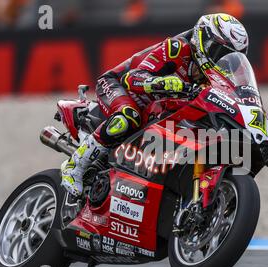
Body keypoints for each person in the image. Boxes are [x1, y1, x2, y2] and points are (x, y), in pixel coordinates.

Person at [61, 13, 249, 196]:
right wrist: (163, 83)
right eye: (219, 53)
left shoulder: (214, 78)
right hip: (118, 85)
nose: (221, 61)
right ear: (203, 41)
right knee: (127, 117)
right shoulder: (176, 48)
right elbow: (132, 78)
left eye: (229, 57)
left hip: (155, 106)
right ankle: (75, 165)